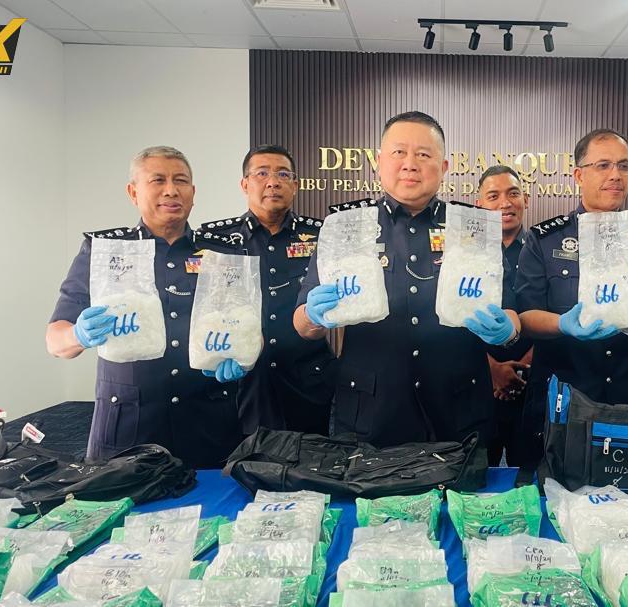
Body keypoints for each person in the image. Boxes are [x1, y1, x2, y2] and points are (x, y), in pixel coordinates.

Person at [292, 111, 523, 447]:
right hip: (372, 414)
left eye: (424, 154)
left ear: (444, 167)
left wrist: (507, 331)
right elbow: (301, 321)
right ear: (379, 162)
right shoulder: (347, 226)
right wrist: (314, 317)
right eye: (399, 152)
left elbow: (511, 311)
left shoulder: (473, 227)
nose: (410, 164)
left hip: (458, 412)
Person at [46, 146, 242, 469]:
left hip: (208, 423)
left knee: (212, 502)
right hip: (128, 426)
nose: (171, 190)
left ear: (193, 193)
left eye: (181, 180)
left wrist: (244, 358)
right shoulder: (105, 251)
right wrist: (78, 335)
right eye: (158, 180)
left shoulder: (221, 253)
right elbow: (56, 340)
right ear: (133, 192)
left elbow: (245, 326)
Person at [514, 128, 628, 466]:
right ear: (579, 175)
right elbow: (526, 316)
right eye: (603, 165)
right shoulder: (545, 240)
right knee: (555, 489)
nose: (615, 175)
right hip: (567, 396)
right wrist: (563, 324)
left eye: (624, 166)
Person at [194, 145, 336, 436]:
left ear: (295, 185)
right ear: (245, 184)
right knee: (240, 459)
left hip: (308, 382)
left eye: (283, 174)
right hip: (240, 384)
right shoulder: (215, 240)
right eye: (261, 174)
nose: (273, 182)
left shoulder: (322, 235)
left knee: (312, 459)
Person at [475, 165, 534, 466]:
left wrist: (525, 366)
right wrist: (493, 370)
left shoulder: (542, 249)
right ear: (479, 205)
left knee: (531, 477)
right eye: (493, 196)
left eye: (513, 194)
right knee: (477, 476)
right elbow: (454, 320)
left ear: (526, 200)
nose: (505, 203)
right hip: (479, 383)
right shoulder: (466, 255)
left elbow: (555, 312)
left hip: (533, 383)